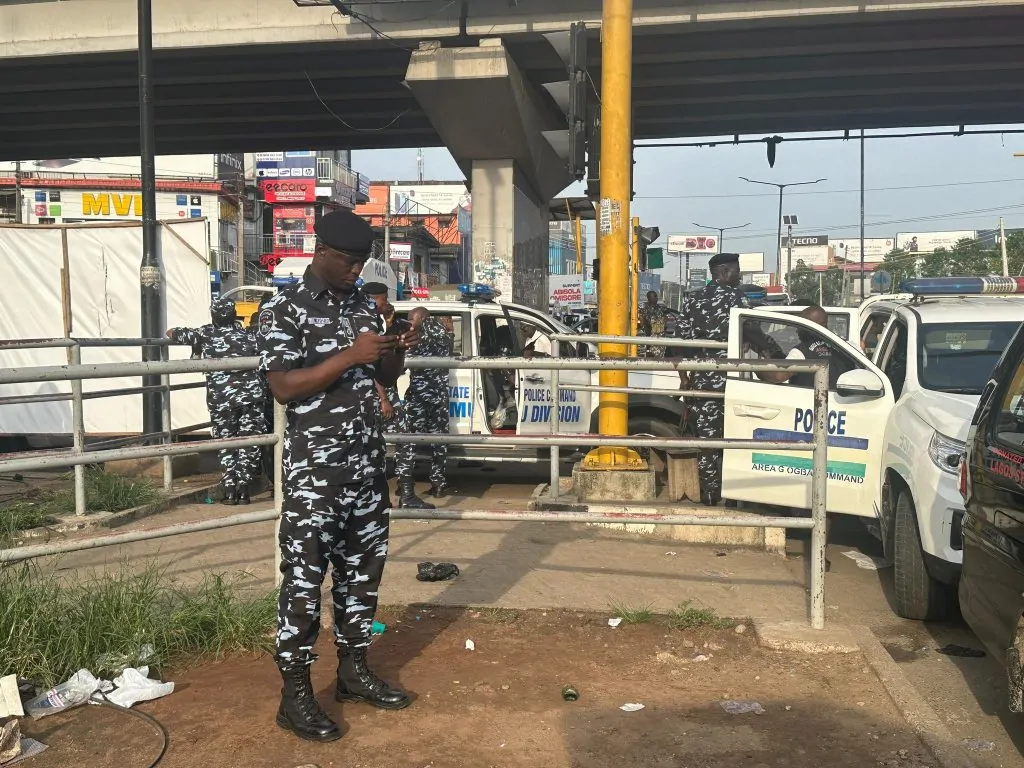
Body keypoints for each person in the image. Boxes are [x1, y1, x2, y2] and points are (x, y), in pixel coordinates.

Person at [256, 209, 421, 742]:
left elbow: (383, 373)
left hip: (366, 466)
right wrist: (350, 355)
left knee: (362, 575)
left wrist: (395, 348)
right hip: (316, 472)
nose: (356, 270)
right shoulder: (284, 309)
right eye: (349, 261)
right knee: (304, 581)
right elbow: (283, 387)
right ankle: (295, 694)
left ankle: (353, 671)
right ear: (321, 251)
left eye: (362, 262)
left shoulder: (362, 307)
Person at [669, 252, 781, 506]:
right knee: (734, 435)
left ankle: (710, 493)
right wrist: (772, 352)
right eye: (737, 272)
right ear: (725, 272)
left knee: (707, 440)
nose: (739, 276)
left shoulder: (692, 299)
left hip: (701, 377)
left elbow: (680, 341)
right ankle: (734, 495)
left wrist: (685, 376)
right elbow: (752, 329)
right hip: (731, 378)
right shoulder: (736, 297)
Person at [166, 297, 265, 505]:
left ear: (213, 316)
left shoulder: (205, 333)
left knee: (225, 442)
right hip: (251, 398)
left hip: (221, 399)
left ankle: (229, 490)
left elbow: (171, 333)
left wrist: (197, 342)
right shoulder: (249, 335)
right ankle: (244, 490)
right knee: (250, 442)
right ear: (234, 315)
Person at [362, 282, 433, 511]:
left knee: (398, 442)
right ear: (373, 300)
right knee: (391, 444)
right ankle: (392, 496)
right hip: (378, 397)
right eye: (384, 299)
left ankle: (404, 494)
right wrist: (384, 399)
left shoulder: (380, 322)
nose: (387, 303)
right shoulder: (364, 324)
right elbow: (369, 366)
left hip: (384, 393)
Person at [405, 306, 456, 497]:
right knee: (439, 441)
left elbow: (404, 360)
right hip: (439, 396)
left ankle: (405, 484)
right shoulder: (444, 333)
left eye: (412, 319)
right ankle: (438, 483)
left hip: (419, 396)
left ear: (421, 318)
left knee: (409, 440)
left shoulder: (416, 335)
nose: (410, 323)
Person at [759, 305, 850, 387]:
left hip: (810, 399)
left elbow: (779, 376)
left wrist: (757, 369)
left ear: (811, 327)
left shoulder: (801, 351)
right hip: (841, 399)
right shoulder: (847, 347)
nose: (797, 331)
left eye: (802, 326)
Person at [638, 290, 670, 358]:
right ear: (649, 298)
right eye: (654, 297)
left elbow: (665, 319)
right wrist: (644, 328)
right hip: (647, 333)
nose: (656, 298)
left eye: (656, 296)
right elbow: (642, 320)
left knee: (659, 355)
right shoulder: (644, 308)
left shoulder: (660, 308)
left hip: (659, 334)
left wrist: (664, 321)